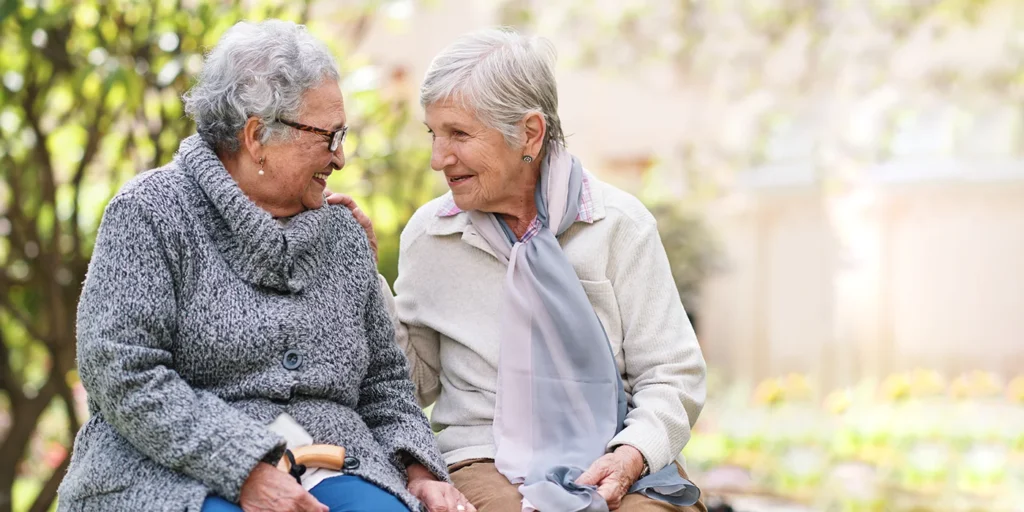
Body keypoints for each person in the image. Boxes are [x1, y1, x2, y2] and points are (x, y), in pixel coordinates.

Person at [57, 20, 473, 512]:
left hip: (337, 460)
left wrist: (421, 472)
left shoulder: (341, 233)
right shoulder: (149, 213)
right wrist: (244, 468)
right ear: (257, 136)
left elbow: (384, 382)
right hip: (176, 468)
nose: (340, 157)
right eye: (329, 136)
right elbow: (124, 373)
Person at [331, 28, 708, 512]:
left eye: (459, 134)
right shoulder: (431, 235)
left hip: (617, 451)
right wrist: (365, 278)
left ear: (529, 133)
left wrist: (631, 454)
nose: (437, 159)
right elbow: (413, 383)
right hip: (482, 457)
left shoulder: (619, 226)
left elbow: (671, 373)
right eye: (434, 134)